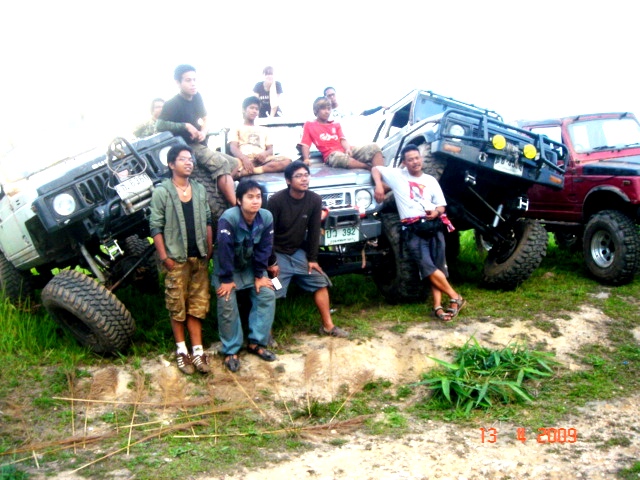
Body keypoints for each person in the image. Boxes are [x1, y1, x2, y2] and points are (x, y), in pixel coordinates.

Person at [371, 144, 466, 322]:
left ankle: (437, 306)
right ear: (404, 163)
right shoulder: (398, 176)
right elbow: (376, 169)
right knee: (427, 267)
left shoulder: (431, 180)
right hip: (413, 229)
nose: (415, 162)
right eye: (410, 160)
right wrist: (379, 186)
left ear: (421, 159)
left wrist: (436, 212)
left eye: (417, 158)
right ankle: (455, 297)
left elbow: (441, 205)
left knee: (437, 267)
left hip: (433, 225)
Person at [149, 145, 213, 375]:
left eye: (190, 159)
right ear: (171, 164)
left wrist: (209, 248)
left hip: (199, 258)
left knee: (197, 305)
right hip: (176, 260)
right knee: (177, 305)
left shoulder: (199, 188)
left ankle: (198, 352)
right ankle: (181, 351)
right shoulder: (162, 191)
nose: (189, 163)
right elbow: (155, 226)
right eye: (183, 159)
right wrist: (164, 257)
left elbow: (208, 219)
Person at [267, 161, 349, 338]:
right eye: (298, 176)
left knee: (320, 281)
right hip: (277, 254)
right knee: (272, 289)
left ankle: (328, 326)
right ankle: (266, 334)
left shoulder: (314, 200)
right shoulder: (276, 201)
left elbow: (313, 232)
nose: (304, 179)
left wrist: (312, 259)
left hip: (297, 253)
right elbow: (268, 234)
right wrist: (271, 262)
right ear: (288, 180)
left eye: (306, 175)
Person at [213, 180, 277, 372]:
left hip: (250, 267)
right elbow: (224, 251)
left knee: (267, 294)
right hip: (228, 269)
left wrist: (259, 275)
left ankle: (256, 342)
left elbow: (265, 248)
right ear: (239, 200)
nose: (255, 201)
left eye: (258, 197)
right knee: (226, 300)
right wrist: (226, 280)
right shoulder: (229, 218)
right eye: (250, 197)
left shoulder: (266, 217)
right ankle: (231, 349)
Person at [156, 64, 237, 211]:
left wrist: (203, 132)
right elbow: (159, 125)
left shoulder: (197, 97)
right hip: (186, 147)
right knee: (222, 163)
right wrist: (185, 126)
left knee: (234, 163)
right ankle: (235, 207)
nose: (193, 83)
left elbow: (205, 117)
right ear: (178, 82)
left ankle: (218, 194)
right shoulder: (172, 104)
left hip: (199, 144)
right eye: (188, 80)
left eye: (194, 79)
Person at [299, 96, 384, 170]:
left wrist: (347, 149)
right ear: (316, 110)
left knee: (374, 147)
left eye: (329, 109)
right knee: (338, 156)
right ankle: (368, 168)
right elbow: (305, 144)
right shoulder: (309, 125)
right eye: (323, 109)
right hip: (331, 155)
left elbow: (342, 139)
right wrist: (306, 159)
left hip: (345, 151)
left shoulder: (336, 124)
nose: (327, 111)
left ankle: (382, 177)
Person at [228, 96, 292, 178]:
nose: (254, 111)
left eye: (257, 109)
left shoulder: (264, 129)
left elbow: (271, 149)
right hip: (243, 159)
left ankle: (251, 171)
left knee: (287, 161)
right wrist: (244, 159)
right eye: (251, 108)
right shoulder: (236, 128)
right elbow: (233, 147)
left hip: (262, 160)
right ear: (244, 110)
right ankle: (249, 170)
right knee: (230, 165)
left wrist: (264, 154)